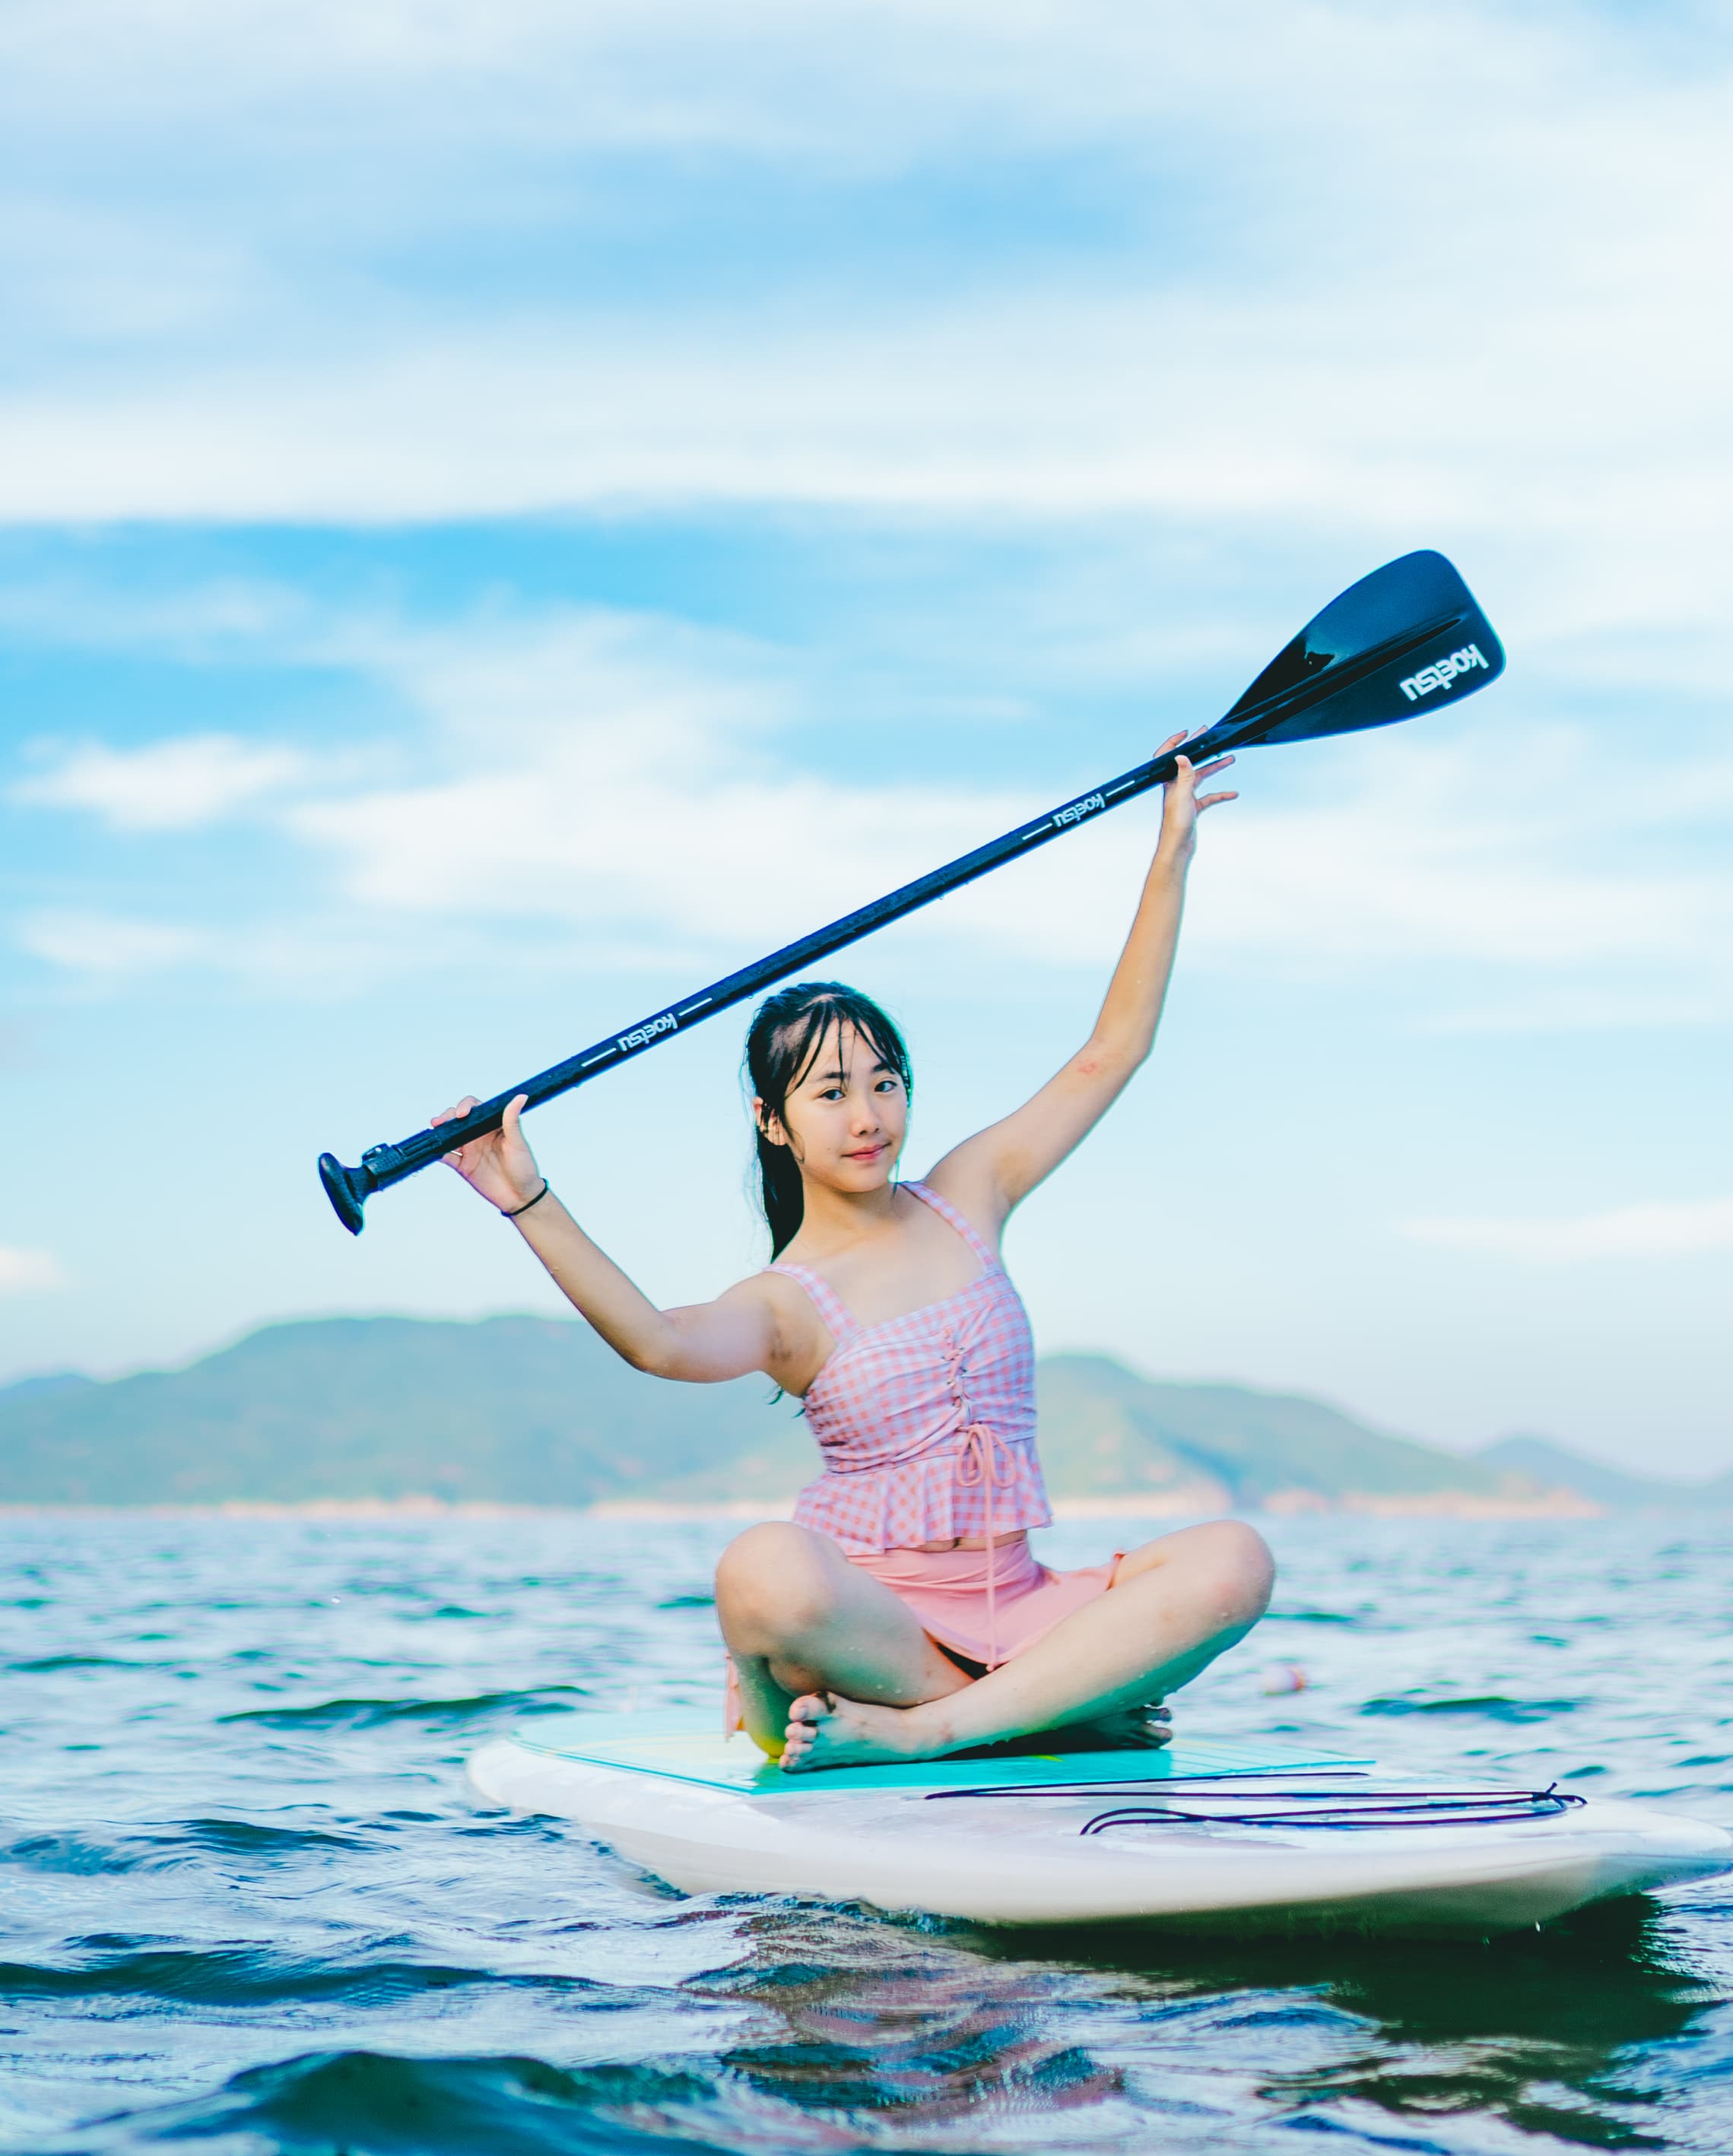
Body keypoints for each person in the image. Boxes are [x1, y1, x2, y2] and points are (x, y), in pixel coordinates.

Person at [445, 743, 1274, 1766]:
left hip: (1023, 1604)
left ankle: (947, 1731)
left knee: (1236, 1557)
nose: (869, 1116)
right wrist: (526, 1197)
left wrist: (1170, 853)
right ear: (775, 1121)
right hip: (882, 1634)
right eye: (830, 1093)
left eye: (884, 1082)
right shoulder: (790, 1302)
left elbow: (1112, 1051)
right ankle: (1038, 1711)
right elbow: (657, 1342)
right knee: (760, 1569)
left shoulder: (971, 1193)